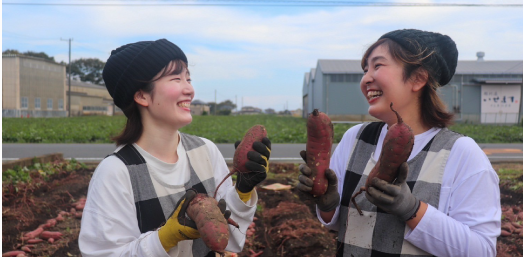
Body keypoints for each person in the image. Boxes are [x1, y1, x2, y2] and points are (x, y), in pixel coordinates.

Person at [297, 29, 501, 257]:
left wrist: (413, 210)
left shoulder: (461, 153)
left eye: (378, 66)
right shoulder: (355, 138)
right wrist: (327, 206)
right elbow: (340, 225)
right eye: (365, 70)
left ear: (418, 79)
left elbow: (482, 250)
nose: (365, 79)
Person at [78, 39, 271, 257]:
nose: (189, 89)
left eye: (188, 78)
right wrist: (164, 238)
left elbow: (229, 242)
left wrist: (242, 192)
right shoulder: (116, 172)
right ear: (141, 95)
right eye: (176, 78)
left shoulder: (205, 151)